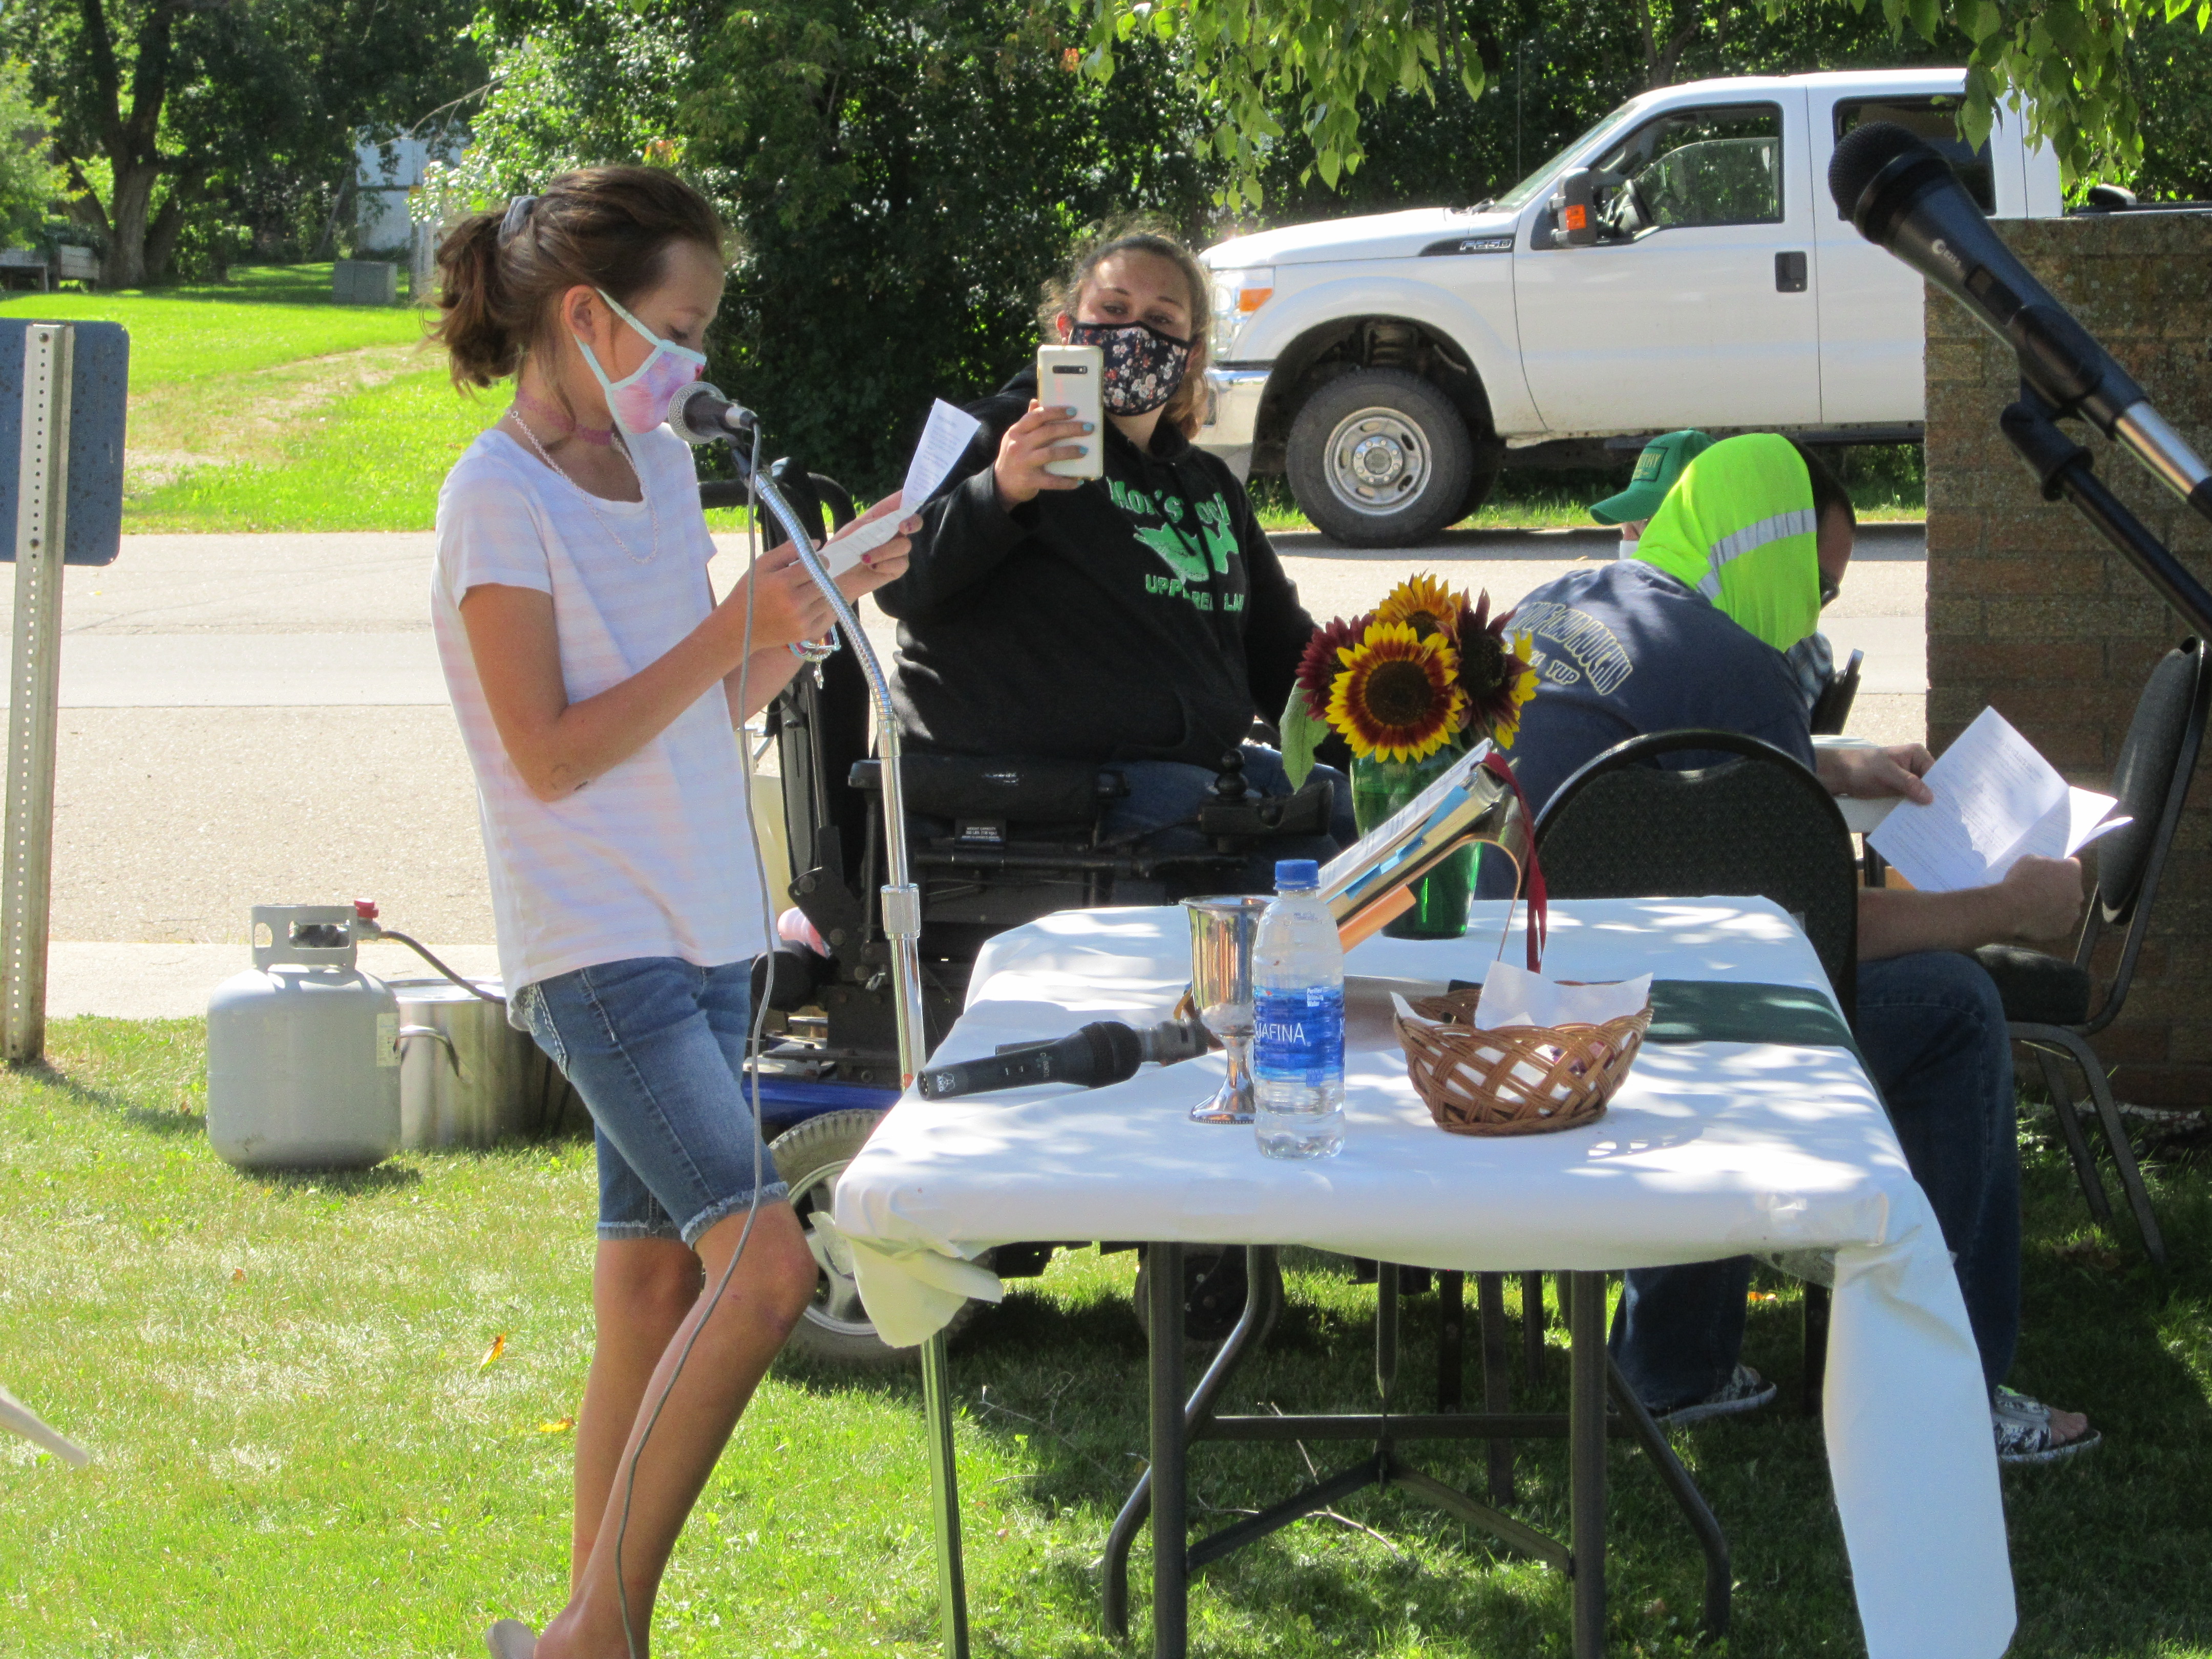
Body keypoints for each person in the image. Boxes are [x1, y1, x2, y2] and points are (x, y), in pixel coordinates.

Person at [428, 168, 920, 1659]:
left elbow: (708, 702)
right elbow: (551, 752)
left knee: (649, 1291)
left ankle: (594, 1635)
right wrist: (731, 628)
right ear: (588, 318)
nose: (697, 359)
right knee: (764, 1271)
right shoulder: (493, 498)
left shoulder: (653, 472)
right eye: (681, 327)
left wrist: (809, 609)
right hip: (600, 950)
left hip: (712, 937)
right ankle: (593, 1636)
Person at [1503, 431, 2098, 1464]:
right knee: (1953, 1007)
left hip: (1522, 1002)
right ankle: (1946, 1397)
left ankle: (1673, 1366)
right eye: (1816, 586)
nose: (1817, 615)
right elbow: (1812, 938)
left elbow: (1651, 772)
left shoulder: (1562, 597)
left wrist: (1827, 763)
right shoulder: (1742, 671)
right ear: (1768, 549)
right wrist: (2005, 907)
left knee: (1711, 964)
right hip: (1668, 1026)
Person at [874, 227, 1355, 888]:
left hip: (1201, 772)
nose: (1135, 334)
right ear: (1068, 329)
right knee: (1308, 873)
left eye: (1161, 320)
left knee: (1375, 823)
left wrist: (1392, 728)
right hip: (1054, 789)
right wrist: (1001, 492)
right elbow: (901, 581)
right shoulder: (995, 434)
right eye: (1114, 310)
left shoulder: (1209, 485)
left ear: (1190, 354)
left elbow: (1283, 652)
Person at [1593, 427, 1835, 714]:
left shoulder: (1764, 641)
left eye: (1649, 525)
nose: (1629, 540)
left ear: (1712, 522)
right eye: (1625, 526)